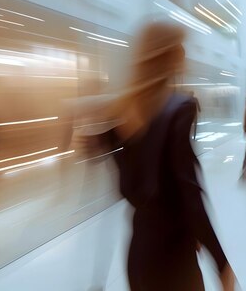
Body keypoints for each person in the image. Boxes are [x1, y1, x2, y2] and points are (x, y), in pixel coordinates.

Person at [75, 21, 234, 291]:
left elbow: (125, 174)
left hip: (140, 252)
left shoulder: (125, 109)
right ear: (170, 55)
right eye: (180, 47)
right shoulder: (177, 108)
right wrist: (221, 263)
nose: (185, 54)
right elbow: (189, 193)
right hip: (173, 257)